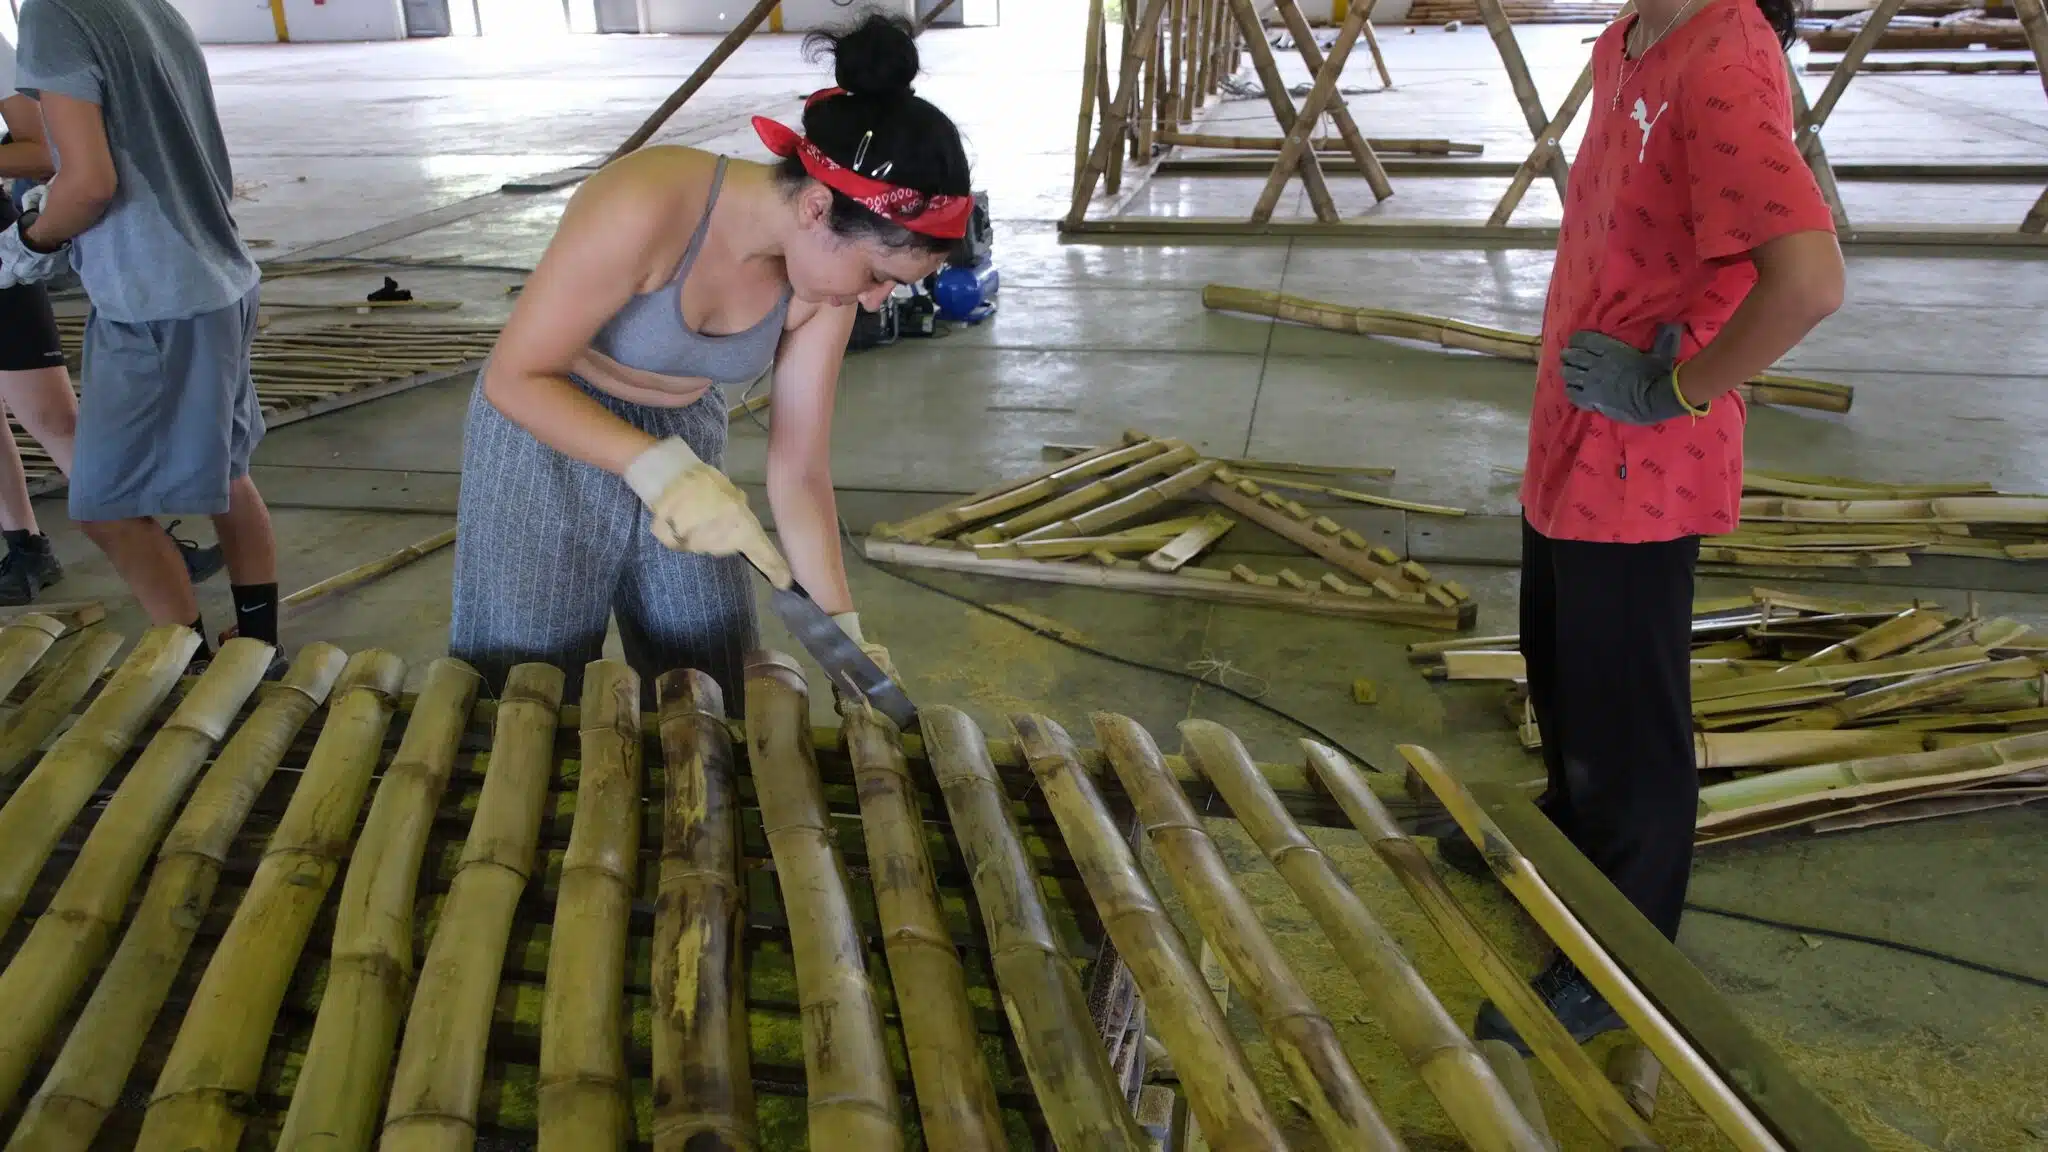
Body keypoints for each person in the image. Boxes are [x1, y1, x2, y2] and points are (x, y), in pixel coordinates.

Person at [1443, 0, 1845, 1050]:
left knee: (1627, 718)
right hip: (1578, 416)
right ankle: (1568, 838)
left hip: (1641, 448)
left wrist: (1676, 388)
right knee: (1562, 660)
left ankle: (1621, 958)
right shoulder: (1634, 32)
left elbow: (1806, 280)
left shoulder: (1717, 60)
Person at [450, 12, 971, 707]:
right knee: (526, 686)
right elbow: (515, 376)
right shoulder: (649, 201)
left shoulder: (825, 289)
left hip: (685, 445)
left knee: (710, 678)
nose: (877, 301)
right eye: (878, 273)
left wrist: (845, 634)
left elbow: (798, 470)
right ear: (818, 208)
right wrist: (650, 466)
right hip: (547, 441)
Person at [7, 0, 273, 662]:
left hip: (157, 299)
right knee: (228, 475)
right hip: (219, 278)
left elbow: (91, 182)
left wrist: (25, 242)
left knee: (103, 506)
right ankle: (258, 644)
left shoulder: (52, 14)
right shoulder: (142, 5)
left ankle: (189, 665)